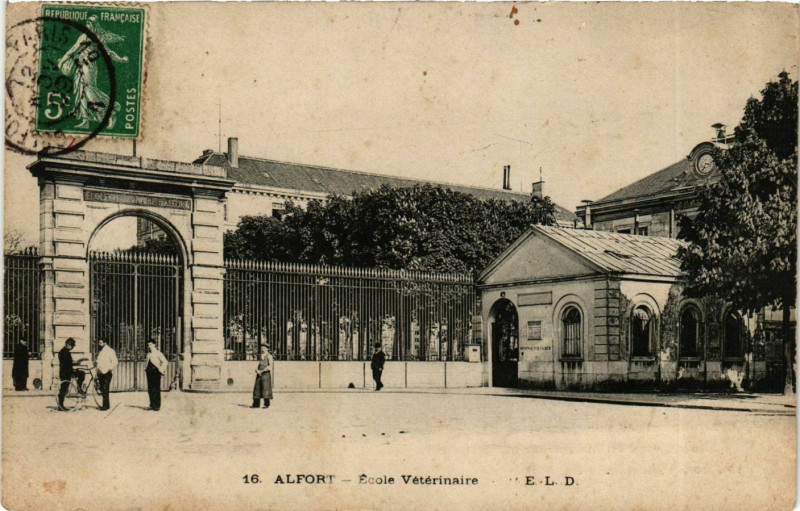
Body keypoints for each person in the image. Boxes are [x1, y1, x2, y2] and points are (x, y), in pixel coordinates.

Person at [145, 340, 168, 411]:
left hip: (156, 373)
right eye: (148, 345)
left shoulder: (158, 353)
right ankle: (152, 404)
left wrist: (161, 369)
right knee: (150, 389)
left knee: (156, 389)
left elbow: (165, 362)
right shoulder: (148, 354)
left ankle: (157, 406)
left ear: (154, 345)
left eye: (151, 344)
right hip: (149, 373)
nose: (149, 346)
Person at [95, 339, 118, 410]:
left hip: (106, 373)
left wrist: (108, 368)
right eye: (99, 342)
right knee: (102, 389)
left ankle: (105, 406)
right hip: (100, 373)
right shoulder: (101, 351)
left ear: (105, 343)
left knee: (105, 389)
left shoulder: (110, 351)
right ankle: (106, 405)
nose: (99, 344)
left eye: (100, 342)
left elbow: (115, 362)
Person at [57, 338, 76, 411]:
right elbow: (66, 364)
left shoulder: (63, 351)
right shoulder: (65, 352)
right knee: (64, 389)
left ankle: (60, 405)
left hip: (64, 372)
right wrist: (73, 364)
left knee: (64, 388)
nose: (72, 348)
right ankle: (61, 406)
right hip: (66, 372)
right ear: (68, 345)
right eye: (72, 346)